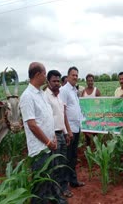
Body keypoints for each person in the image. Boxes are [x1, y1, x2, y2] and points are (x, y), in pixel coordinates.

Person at [19, 62, 66, 204]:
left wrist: (53, 138)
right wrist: (47, 142)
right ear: (38, 74)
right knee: (40, 184)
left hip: (49, 144)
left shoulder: (41, 93)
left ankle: (54, 199)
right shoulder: (27, 96)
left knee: (50, 177)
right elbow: (32, 125)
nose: (46, 77)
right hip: (40, 149)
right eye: (45, 74)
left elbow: (47, 118)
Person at [45, 70, 74, 198]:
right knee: (55, 165)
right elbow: (46, 119)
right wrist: (51, 137)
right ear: (48, 82)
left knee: (62, 163)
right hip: (53, 136)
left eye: (58, 81)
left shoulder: (59, 95)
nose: (57, 83)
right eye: (54, 81)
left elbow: (63, 115)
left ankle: (63, 188)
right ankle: (56, 192)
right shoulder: (45, 96)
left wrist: (66, 132)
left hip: (61, 134)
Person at [59, 66, 85, 188]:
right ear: (68, 76)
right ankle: (64, 185)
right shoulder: (64, 90)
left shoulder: (74, 90)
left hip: (76, 128)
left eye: (76, 75)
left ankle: (73, 181)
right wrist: (68, 130)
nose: (75, 77)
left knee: (73, 157)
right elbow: (62, 111)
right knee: (67, 158)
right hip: (70, 130)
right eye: (73, 75)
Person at [81, 73, 101, 146]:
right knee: (87, 136)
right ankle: (89, 150)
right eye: (88, 81)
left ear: (93, 81)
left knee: (95, 135)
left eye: (91, 81)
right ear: (86, 81)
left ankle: (96, 149)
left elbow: (101, 103)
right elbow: (81, 103)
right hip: (86, 117)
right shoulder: (84, 91)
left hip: (95, 117)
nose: (90, 82)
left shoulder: (96, 91)